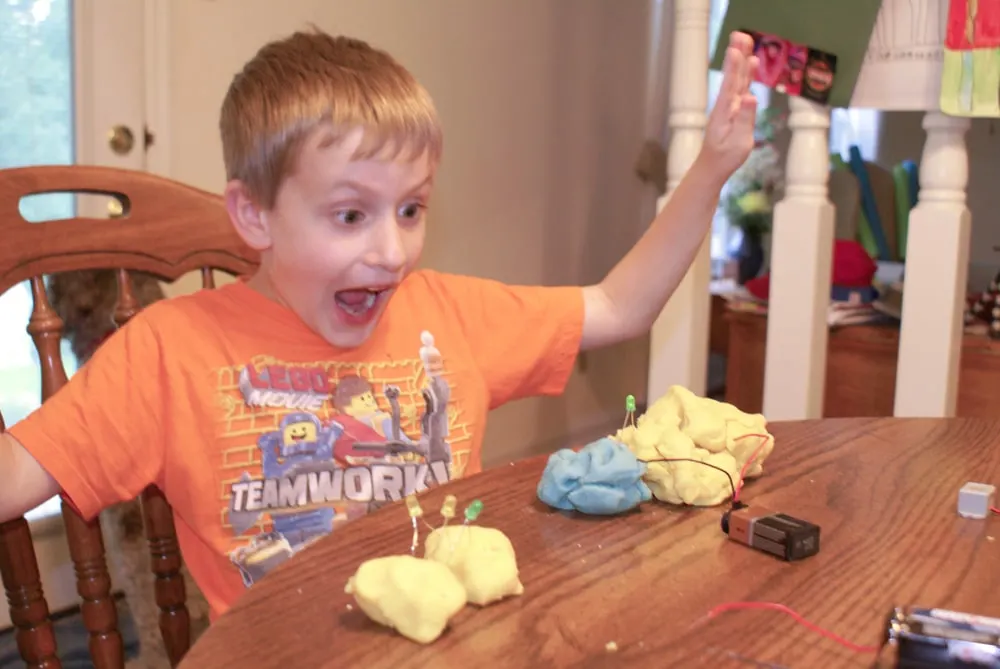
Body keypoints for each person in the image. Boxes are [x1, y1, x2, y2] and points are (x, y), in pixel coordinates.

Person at [0, 28, 759, 619]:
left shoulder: (449, 316)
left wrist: (710, 170)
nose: (391, 251)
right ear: (254, 215)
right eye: (351, 214)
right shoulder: (169, 353)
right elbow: (15, 479)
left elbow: (622, 306)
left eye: (411, 209)